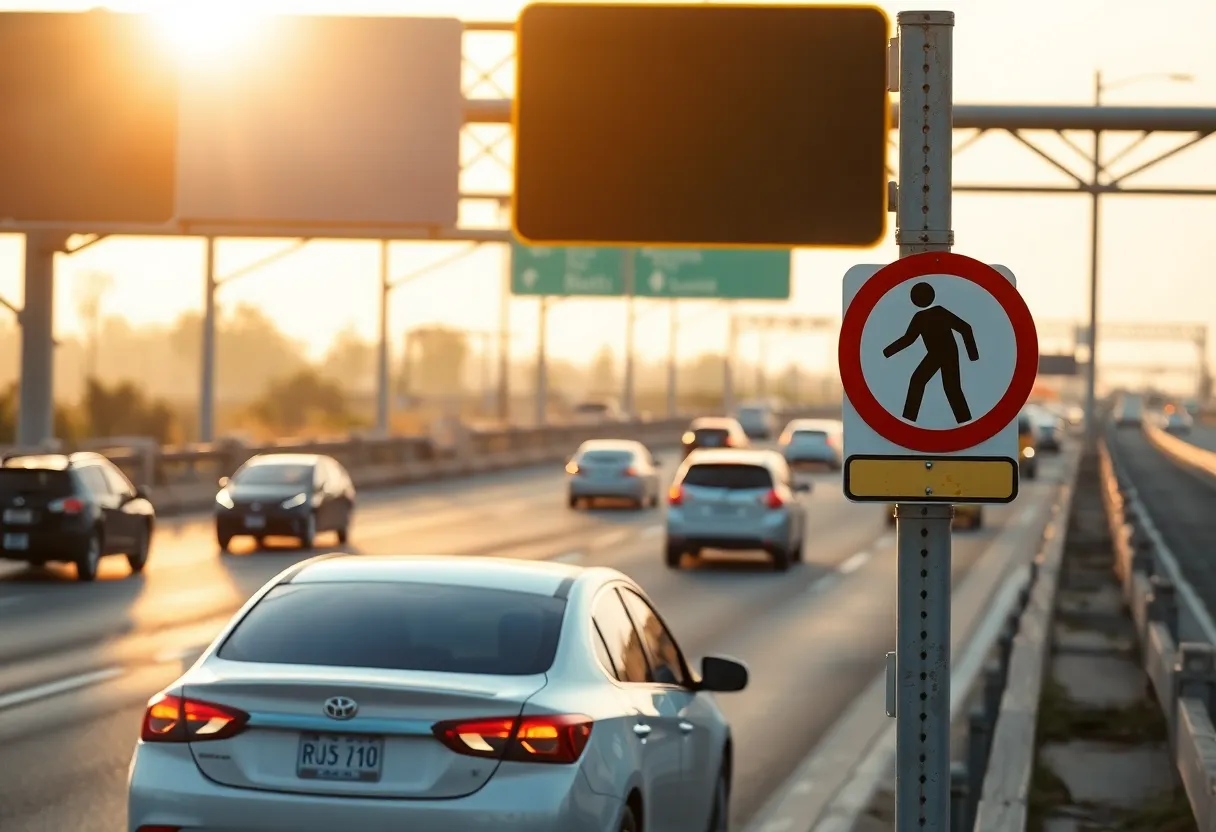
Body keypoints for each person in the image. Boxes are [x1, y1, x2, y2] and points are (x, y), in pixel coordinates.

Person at [882, 281, 979, 424]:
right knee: (927, 383)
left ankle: (963, 422)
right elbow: (909, 339)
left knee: (944, 386)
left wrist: (973, 356)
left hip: (946, 353)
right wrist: (887, 352)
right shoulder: (920, 317)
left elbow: (965, 328)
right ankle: (909, 421)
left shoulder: (938, 312)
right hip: (939, 353)